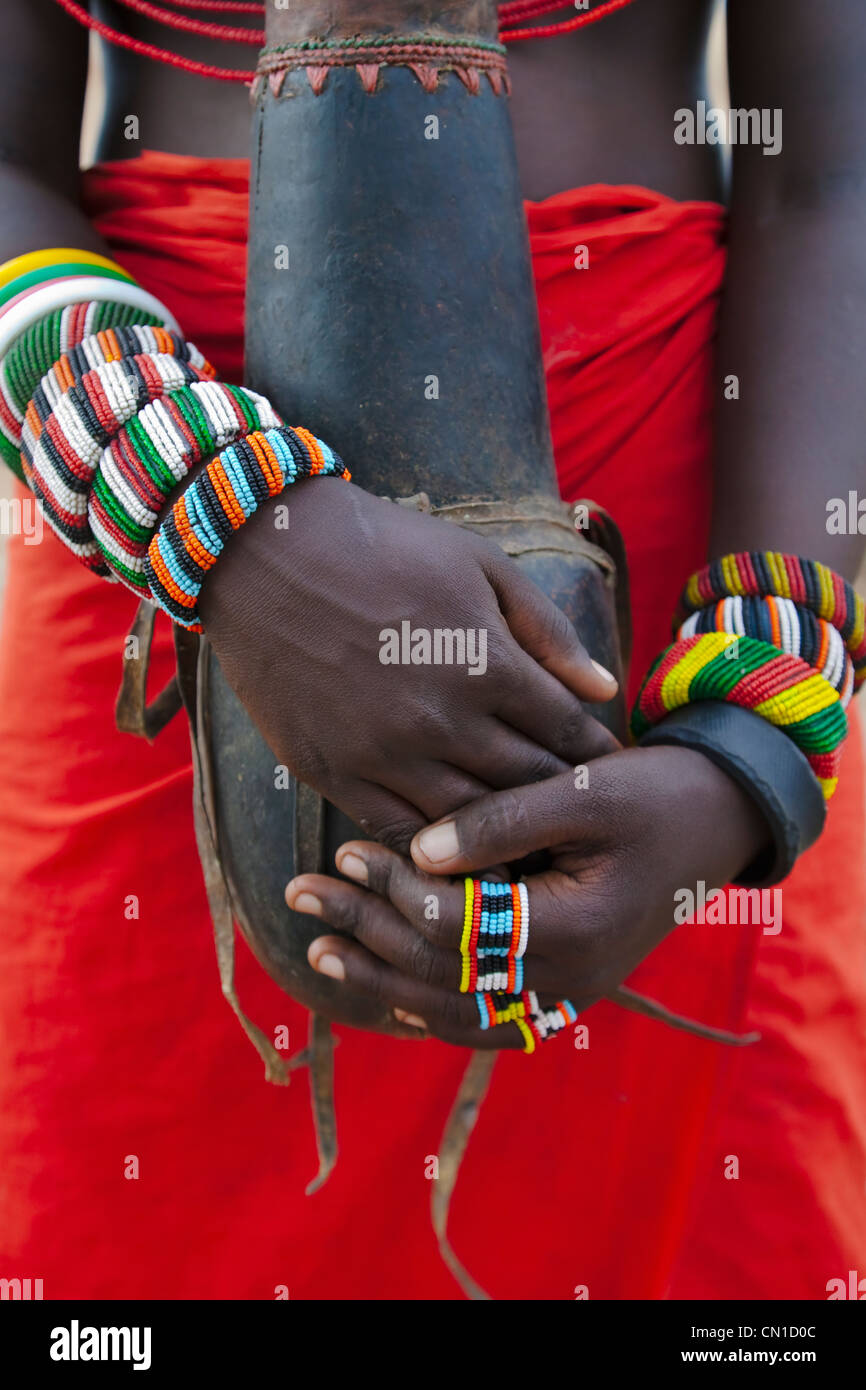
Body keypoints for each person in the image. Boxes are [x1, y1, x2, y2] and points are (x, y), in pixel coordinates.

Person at [0, 0, 863, 1300]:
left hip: (684, 587)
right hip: (144, 516)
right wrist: (224, 524)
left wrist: (747, 748)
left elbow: (836, 175)